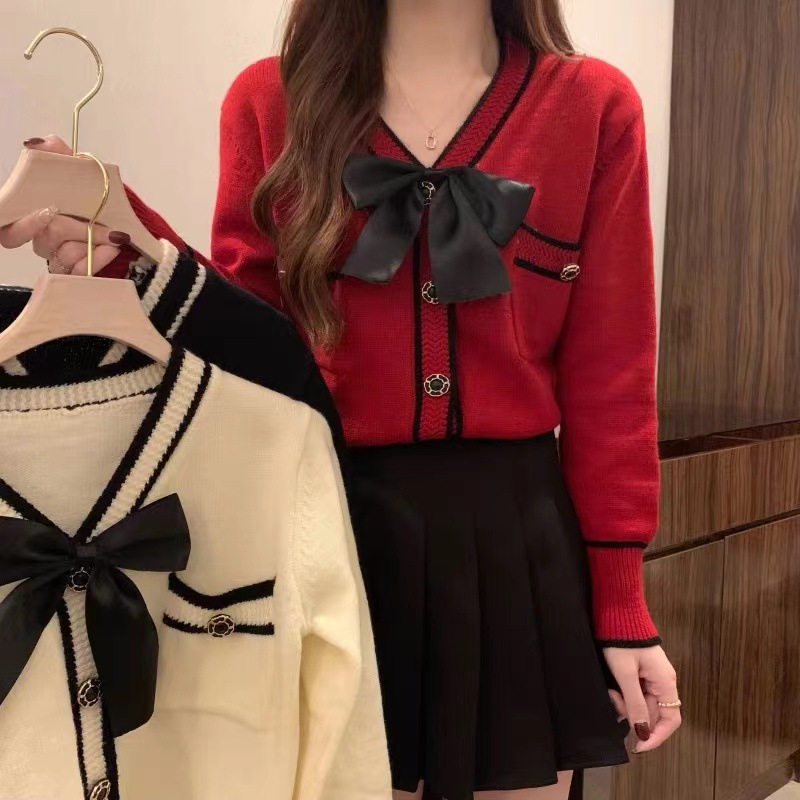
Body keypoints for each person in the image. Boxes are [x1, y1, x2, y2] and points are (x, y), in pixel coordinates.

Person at [0, 1, 682, 798]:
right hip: (331, 526)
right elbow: (257, 357)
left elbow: (613, 378)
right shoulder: (269, 102)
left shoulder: (593, 107)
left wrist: (622, 604)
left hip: (519, 548)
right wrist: (131, 246)